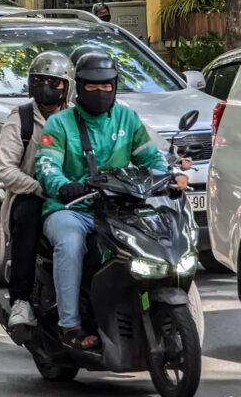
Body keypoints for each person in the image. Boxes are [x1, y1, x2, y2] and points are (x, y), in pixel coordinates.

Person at [35, 51, 188, 350]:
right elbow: (46, 165)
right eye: (92, 86)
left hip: (120, 209)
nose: (100, 92)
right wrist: (63, 184)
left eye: (107, 85)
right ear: (79, 87)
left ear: (115, 85)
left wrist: (169, 178)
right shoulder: (60, 123)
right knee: (70, 243)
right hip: (72, 209)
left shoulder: (127, 118)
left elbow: (150, 157)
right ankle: (70, 326)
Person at [0, 51, 74, 330]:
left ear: (68, 86)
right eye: (39, 80)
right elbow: (4, 170)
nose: (46, 87)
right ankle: (21, 301)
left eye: (54, 82)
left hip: (76, 196)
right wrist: (40, 188)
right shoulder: (21, 119)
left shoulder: (79, 116)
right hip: (33, 196)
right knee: (28, 217)